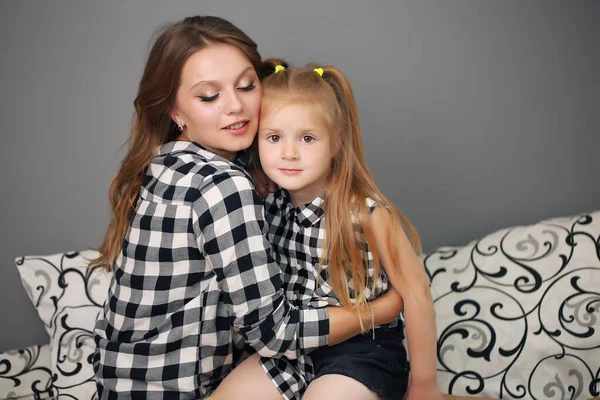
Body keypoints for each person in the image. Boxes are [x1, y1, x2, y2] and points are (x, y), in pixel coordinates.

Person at [90, 16, 403, 400]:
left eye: (246, 85)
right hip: (174, 388)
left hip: (116, 384)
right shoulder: (223, 184)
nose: (235, 107)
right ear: (175, 111)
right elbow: (277, 335)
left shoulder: (167, 162)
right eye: (209, 96)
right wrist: (380, 312)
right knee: (298, 369)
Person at [211, 61, 501, 400]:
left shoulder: (365, 212)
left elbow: (417, 291)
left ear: (335, 144)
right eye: (273, 137)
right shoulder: (263, 205)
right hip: (292, 349)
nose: (288, 153)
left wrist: (424, 385)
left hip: (362, 350)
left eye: (307, 138)